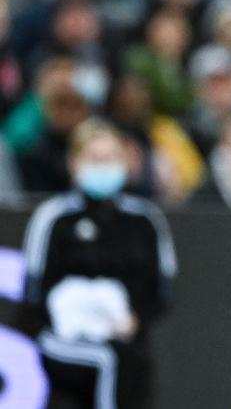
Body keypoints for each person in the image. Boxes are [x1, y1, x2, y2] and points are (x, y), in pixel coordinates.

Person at [20, 120, 176, 409]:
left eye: (110, 158)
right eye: (94, 158)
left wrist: (134, 319)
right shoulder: (54, 218)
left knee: (126, 360)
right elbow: (34, 292)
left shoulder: (145, 220)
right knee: (107, 359)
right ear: (74, 163)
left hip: (126, 340)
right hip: (63, 339)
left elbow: (161, 290)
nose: (103, 166)